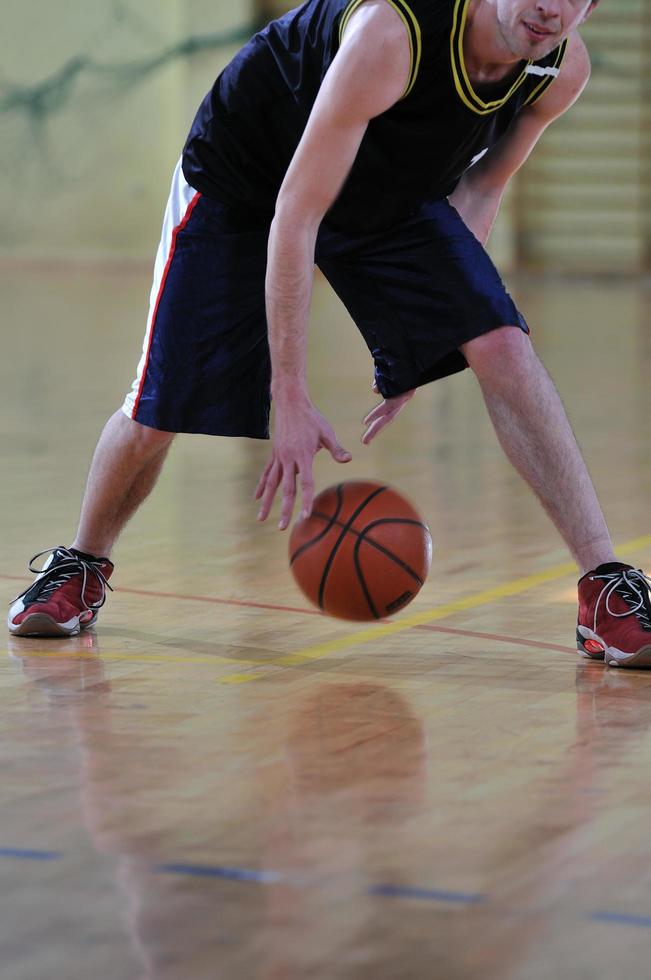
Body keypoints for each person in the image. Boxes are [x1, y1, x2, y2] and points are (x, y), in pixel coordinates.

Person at [8, 0, 651, 668]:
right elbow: (296, 210)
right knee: (159, 406)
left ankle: (605, 589)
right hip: (248, 179)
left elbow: (481, 191)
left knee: (502, 343)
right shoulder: (394, 32)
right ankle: (81, 563)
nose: (552, 6)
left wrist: (428, 328)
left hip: (388, 188)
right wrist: (288, 391)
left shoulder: (558, 67)